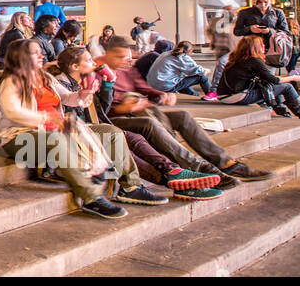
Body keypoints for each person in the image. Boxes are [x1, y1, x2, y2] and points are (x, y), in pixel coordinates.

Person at [0, 39, 166, 219]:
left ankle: (131, 186)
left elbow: (67, 98)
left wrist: (81, 95)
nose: (41, 55)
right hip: (22, 138)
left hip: (57, 130)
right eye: (35, 52)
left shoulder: (45, 77)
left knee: (112, 133)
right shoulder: (10, 81)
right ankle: (92, 197)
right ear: (20, 56)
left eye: (40, 51)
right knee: (56, 139)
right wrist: (47, 118)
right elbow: (12, 111)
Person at [53, 45, 222, 199]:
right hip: (80, 132)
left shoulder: (86, 80)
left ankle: (174, 173)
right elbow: (75, 111)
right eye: (88, 60)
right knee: (126, 139)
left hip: (95, 127)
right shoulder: (63, 83)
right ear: (75, 67)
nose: (94, 62)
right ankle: (171, 177)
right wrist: (92, 91)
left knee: (136, 136)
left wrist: (107, 86)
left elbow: (100, 110)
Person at [99, 36, 274, 185]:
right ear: (108, 54)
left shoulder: (126, 70)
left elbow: (143, 87)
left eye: (128, 58)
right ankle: (199, 167)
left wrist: (161, 95)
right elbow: (98, 110)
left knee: (182, 116)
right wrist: (125, 107)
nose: (125, 61)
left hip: (136, 111)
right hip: (116, 118)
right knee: (150, 122)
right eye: (121, 57)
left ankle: (226, 163)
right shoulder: (99, 71)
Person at [218, 36, 300, 127]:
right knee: (287, 87)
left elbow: (269, 78)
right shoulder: (254, 61)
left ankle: (284, 113)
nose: (265, 47)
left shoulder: (236, 59)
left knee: (272, 86)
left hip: (224, 96)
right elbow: (275, 80)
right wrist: (293, 78)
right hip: (236, 97)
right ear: (255, 47)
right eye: (262, 45)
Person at [146, 41, 213, 96]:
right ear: (189, 51)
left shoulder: (166, 53)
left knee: (182, 80)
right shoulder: (182, 57)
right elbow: (197, 70)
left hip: (153, 84)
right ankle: (211, 96)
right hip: (164, 85)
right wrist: (206, 71)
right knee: (202, 78)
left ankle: (194, 95)